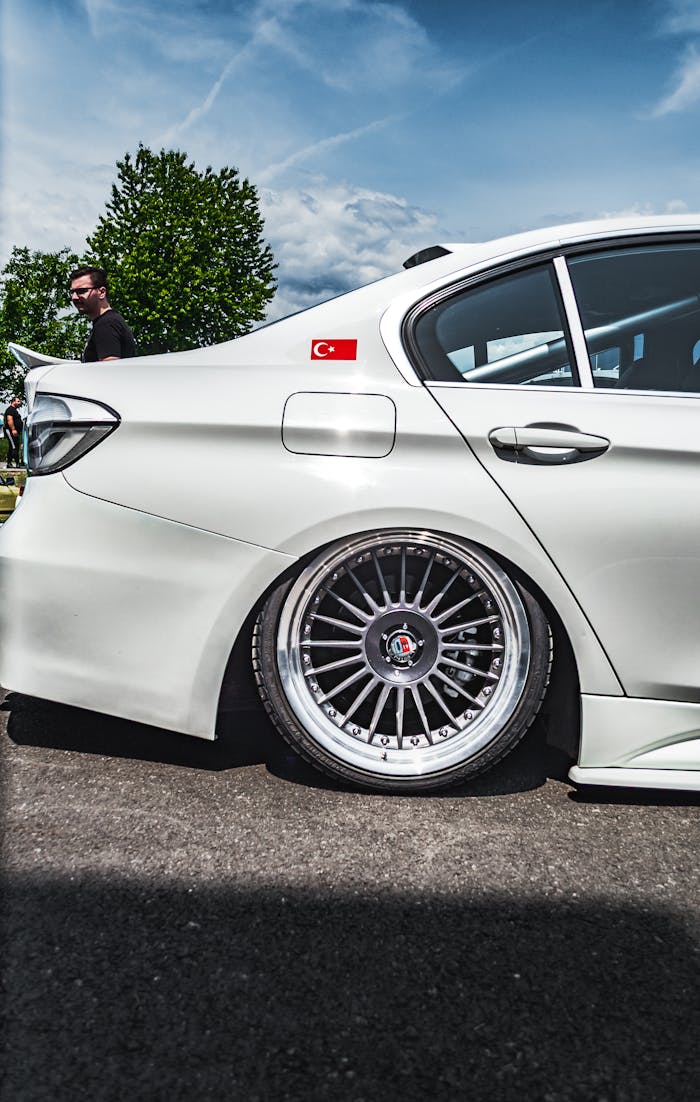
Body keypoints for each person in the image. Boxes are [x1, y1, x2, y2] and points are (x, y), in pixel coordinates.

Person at [69, 266, 136, 362]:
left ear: (102, 292)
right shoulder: (109, 321)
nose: (74, 297)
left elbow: (109, 371)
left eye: (82, 291)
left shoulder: (106, 324)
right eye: (72, 292)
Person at [3, 396, 23, 468]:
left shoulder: (14, 410)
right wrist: (13, 429)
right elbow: (9, 420)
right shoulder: (10, 410)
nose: (19, 403)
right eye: (18, 401)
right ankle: (17, 463)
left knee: (14, 447)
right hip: (10, 431)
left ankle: (10, 463)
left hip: (15, 431)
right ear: (13, 402)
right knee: (14, 447)